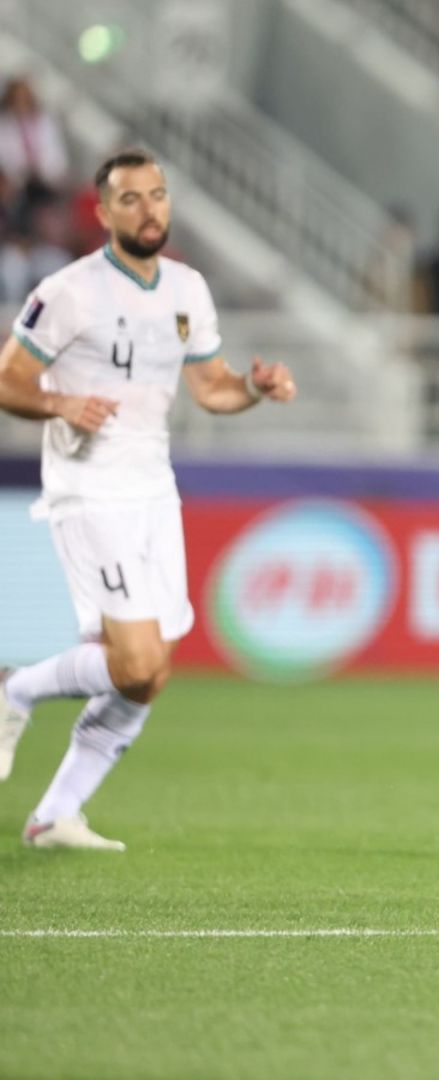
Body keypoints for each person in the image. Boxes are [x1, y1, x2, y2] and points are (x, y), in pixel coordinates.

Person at [0, 149, 298, 850]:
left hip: (153, 492)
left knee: (149, 674)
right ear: (102, 214)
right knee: (131, 660)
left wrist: (255, 388)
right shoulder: (68, 292)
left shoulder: (187, 290)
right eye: (130, 199)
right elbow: (9, 380)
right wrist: (63, 403)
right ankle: (15, 687)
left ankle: (55, 816)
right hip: (87, 490)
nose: (149, 209)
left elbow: (211, 387)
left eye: (158, 195)